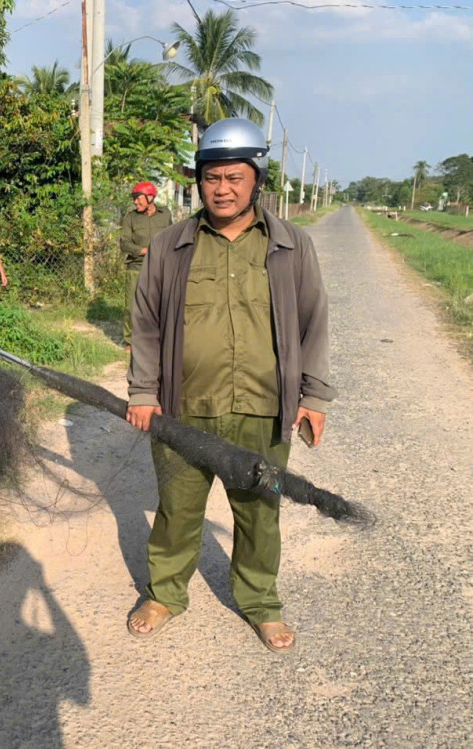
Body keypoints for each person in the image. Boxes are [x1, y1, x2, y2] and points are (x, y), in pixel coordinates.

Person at [124, 118, 336, 654]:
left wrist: (313, 397)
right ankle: (165, 594)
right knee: (177, 507)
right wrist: (144, 393)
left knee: (261, 512)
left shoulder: (292, 245)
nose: (221, 189)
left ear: (256, 179)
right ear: (199, 181)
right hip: (184, 409)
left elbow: (314, 321)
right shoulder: (172, 244)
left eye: (234, 177)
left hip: (264, 410)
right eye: (211, 177)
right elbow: (145, 322)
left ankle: (261, 602)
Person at [120, 182, 172, 351]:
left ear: (150, 198)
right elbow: (124, 243)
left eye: (138, 199)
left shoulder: (165, 215)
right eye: (134, 199)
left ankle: (158, 337)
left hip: (160, 266)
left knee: (161, 303)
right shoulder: (130, 218)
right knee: (131, 306)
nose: (135, 202)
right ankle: (130, 340)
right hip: (137, 266)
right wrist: (143, 251)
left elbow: (172, 236)